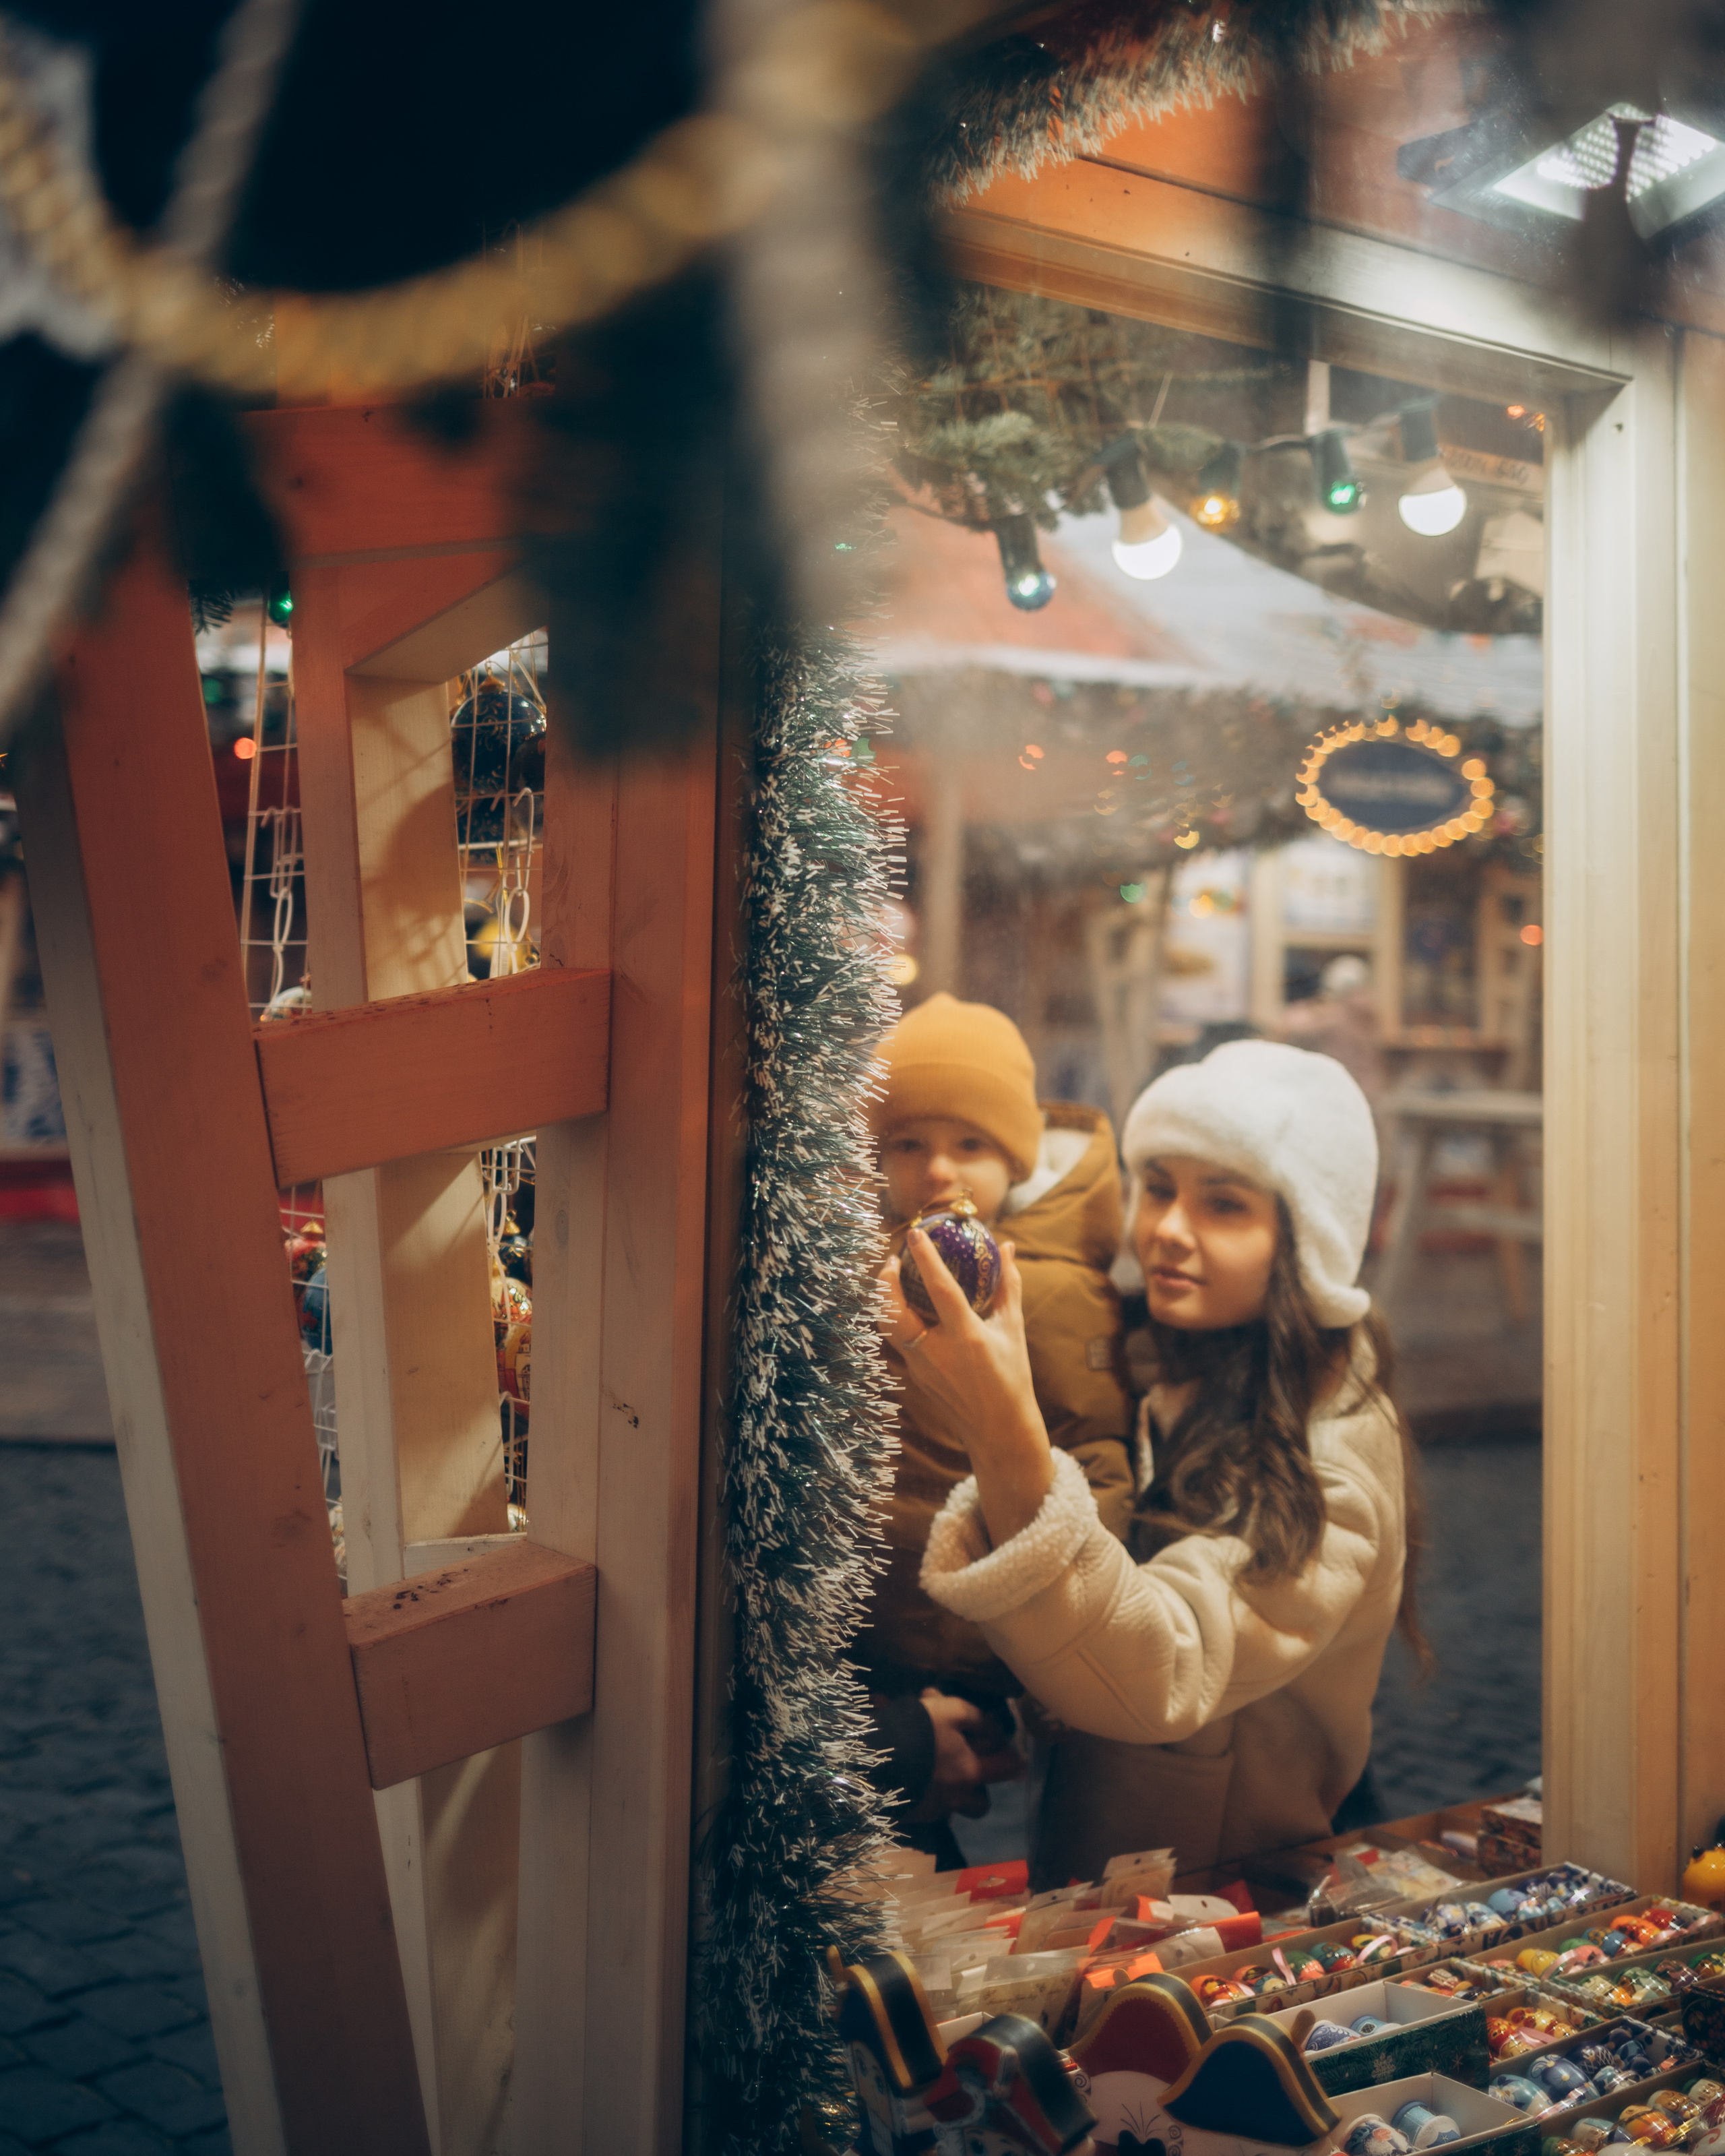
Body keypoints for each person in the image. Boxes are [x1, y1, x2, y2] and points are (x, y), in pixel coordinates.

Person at [880, 1037, 1424, 1884]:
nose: (1170, 1229)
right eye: (1159, 1189)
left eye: (1225, 1206)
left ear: (1305, 1243)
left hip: (1233, 1919)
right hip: (1098, 1895)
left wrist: (1002, 1422)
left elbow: (1160, 1669)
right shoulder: (1135, 1366)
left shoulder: (1331, 1454)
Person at [859, 992, 1135, 1859]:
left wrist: (1059, 1653)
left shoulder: (1045, 1288)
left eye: (970, 1145)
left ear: (1013, 1159)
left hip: (970, 1628)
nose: (940, 1170)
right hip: (859, 1624)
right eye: (910, 1143)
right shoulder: (863, 1265)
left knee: (934, 1830)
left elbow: (1095, 1453)